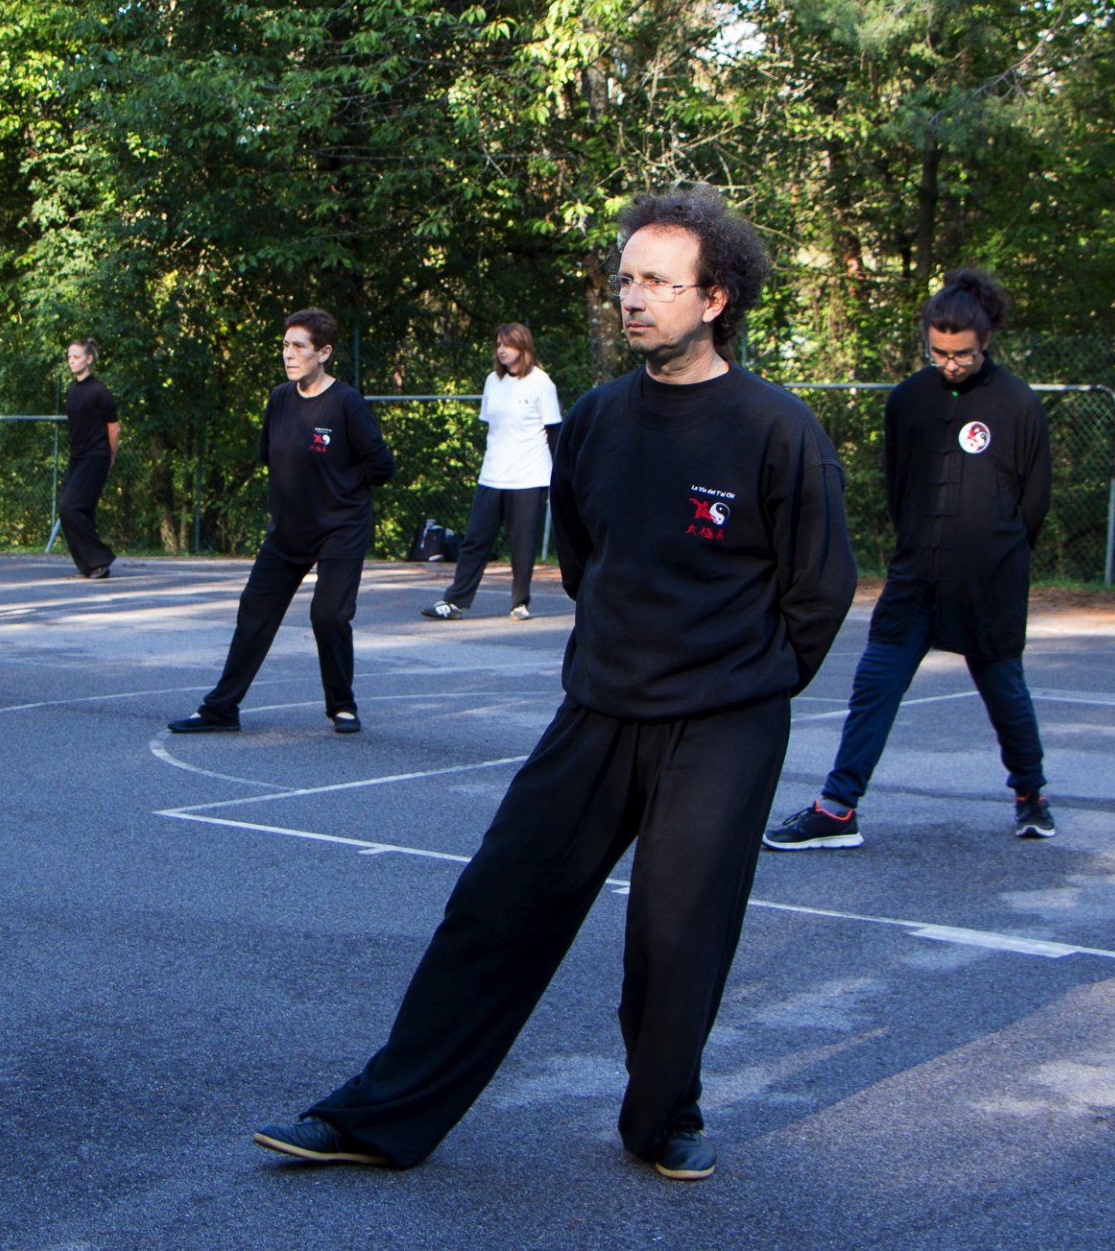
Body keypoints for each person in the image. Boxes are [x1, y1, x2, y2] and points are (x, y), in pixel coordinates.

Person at [251, 186, 855, 1180]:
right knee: (497, 906)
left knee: (675, 933)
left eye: (658, 280)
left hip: (724, 723)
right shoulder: (603, 421)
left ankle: (663, 1116)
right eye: (625, 277)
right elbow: (583, 556)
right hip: (600, 708)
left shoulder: (774, 429)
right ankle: (382, 1116)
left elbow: (818, 590)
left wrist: (751, 683)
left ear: (716, 299)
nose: (633, 296)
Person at [765, 268, 1054, 849]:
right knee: (875, 683)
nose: (950, 363)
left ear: (986, 340)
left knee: (1005, 692)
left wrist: (992, 553)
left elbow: (1034, 503)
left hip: (988, 584)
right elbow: (900, 487)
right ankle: (839, 807)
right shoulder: (908, 400)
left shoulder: (1019, 404)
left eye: (963, 354)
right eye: (939, 352)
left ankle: (1031, 794)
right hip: (916, 577)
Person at [167, 309, 395, 736]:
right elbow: (268, 455)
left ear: (323, 353)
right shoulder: (279, 399)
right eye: (285, 346)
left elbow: (381, 466)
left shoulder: (345, 402)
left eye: (299, 347)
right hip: (288, 530)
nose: (289, 355)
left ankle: (342, 706)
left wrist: (341, 489)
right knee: (254, 610)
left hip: (340, 528)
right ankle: (221, 709)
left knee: (328, 614)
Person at [420, 323, 561, 622]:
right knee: (475, 540)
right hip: (493, 475)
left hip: (530, 476)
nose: (501, 350)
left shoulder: (541, 383)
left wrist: (559, 478)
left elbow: (553, 432)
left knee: (522, 544)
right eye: (498, 344)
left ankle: (519, 603)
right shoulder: (492, 382)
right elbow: (493, 427)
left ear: (522, 347)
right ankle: (455, 602)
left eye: (507, 344)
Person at [60, 339, 119, 578]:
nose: (71, 361)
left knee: (69, 506)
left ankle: (100, 558)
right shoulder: (73, 390)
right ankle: (91, 565)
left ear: (89, 359)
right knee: (77, 508)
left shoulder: (99, 391)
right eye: (69, 357)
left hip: (96, 455)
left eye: (76, 356)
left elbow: (114, 428)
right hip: (78, 456)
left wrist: (110, 457)